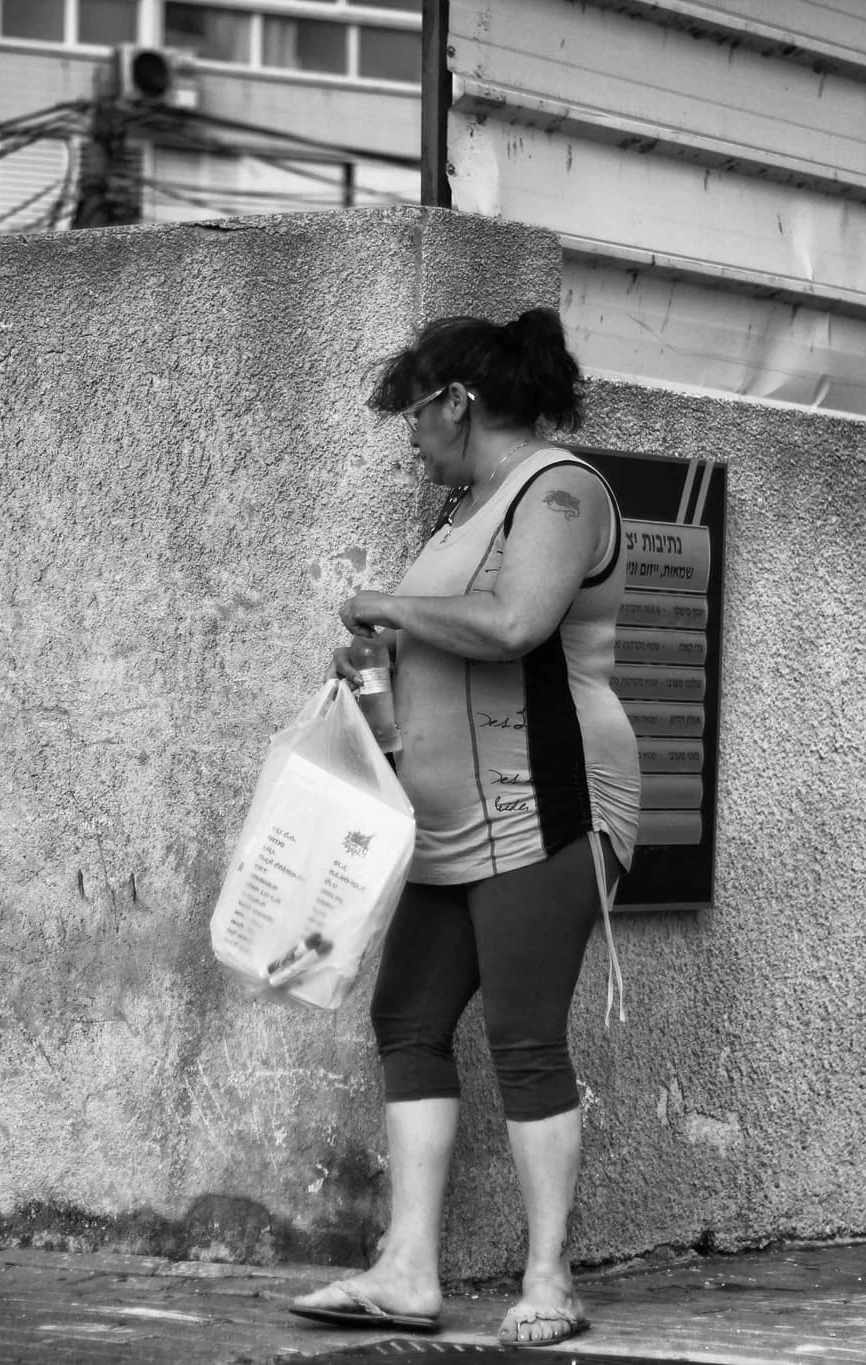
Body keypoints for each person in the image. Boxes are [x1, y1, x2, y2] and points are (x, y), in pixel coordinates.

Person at [287, 308, 639, 1348]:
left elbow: (517, 624)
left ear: (458, 402)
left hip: (549, 805)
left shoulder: (561, 489)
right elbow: (436, 654)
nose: (406, 436)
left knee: (524, 1038)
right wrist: (372, 684)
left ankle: (546, 1281)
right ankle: (406, 1272)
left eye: (411, 411)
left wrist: (384, 605)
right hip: (447, 816)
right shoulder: (458, 515)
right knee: (405, 1018)